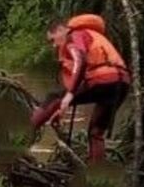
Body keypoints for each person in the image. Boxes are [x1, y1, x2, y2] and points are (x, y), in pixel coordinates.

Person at [30, 14, 131, 164]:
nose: (54, 45)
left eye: (52, 40)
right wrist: (61, 107)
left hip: (102, 80)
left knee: (53, 97)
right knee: (96, 133)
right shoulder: (93, 36)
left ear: (60, 30)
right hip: (122, 83)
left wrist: (69, 95)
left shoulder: (74, 35)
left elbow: (80, 60)